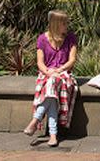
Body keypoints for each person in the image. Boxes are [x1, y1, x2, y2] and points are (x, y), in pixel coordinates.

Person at [24, 10, 78, 147]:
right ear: (55, 24)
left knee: (51, 86)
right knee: (51, 91)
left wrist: (59, 70)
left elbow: (72, 60)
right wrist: (49, 73)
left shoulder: (71, 38)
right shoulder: (42, 39)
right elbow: (40, 63)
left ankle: (35, 120)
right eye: (64, 23)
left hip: (64, 73)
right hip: (47, 73)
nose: (67, 25)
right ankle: (53, 135)